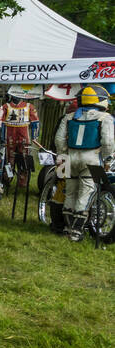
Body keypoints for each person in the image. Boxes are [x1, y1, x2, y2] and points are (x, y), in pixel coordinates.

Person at [54, 85, 115, 241]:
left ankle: (67, 227)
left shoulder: (69, 117)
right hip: (93, 160)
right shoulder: (105, 118)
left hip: (70, 157)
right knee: (86, 194)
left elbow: (59, 139)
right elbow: (108, 142)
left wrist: (64, 153)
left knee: (70, 192)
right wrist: (108, 159)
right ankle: (76, 232)